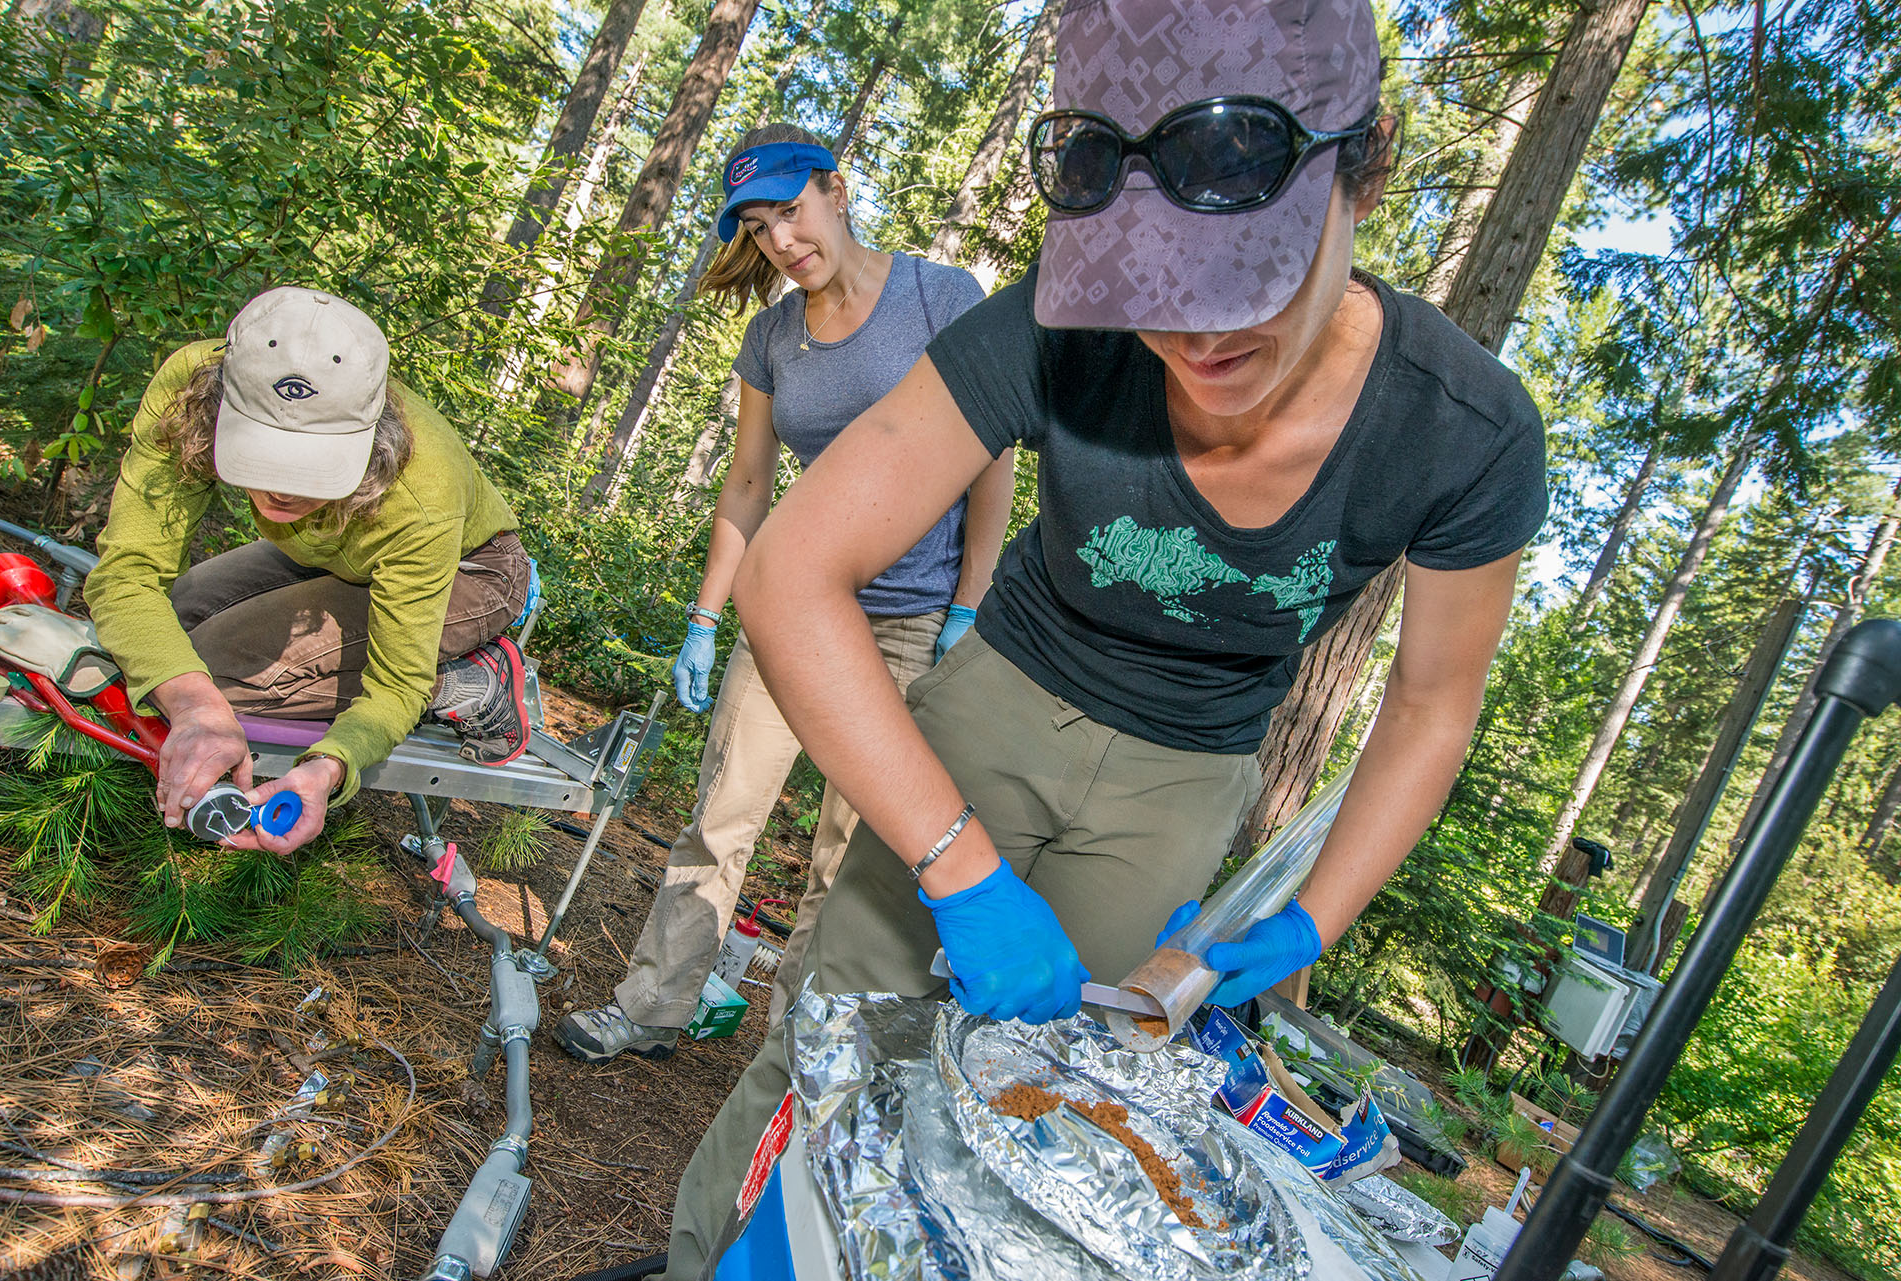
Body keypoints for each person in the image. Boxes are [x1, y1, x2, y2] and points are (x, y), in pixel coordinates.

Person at [651, 0, 1549, 1272]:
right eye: (1151, 286)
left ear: (1365, 171)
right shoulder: (1053, 323)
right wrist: (954, 863)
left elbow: (1429, 707)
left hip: (1187, 771)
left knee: (1046, 1098)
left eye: (1248, 277)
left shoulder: (1464, 430)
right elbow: (793, 572)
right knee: (837, 1036)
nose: (1195, 336)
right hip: (999, 699)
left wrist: (1313, 923)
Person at [551, 125, 1010, 1065]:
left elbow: (990, 463)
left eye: (791, 212)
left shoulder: (939, 297)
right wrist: (706, 617)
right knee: (722, 810)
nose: (782, 242)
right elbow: (749, 484)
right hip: (790, 608)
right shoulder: (774, 335)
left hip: (912, 619)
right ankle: (652, 1004)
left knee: (852, 853)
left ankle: (796, 1050)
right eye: (758, 229)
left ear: (835, 191)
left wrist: (970, 604)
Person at [84, 287, 534, 855]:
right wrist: (192, 706)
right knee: (173, 630)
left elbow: (395, 685)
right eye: (264, 456)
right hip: (326, 552)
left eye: (309, 470)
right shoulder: (187, 392)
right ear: (221, 406)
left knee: (226, 677)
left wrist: (328, 767)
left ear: (371, 445)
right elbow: (128, 572)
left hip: (470, 572)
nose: (278, 490)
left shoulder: (422, 487)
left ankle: (472, 686)